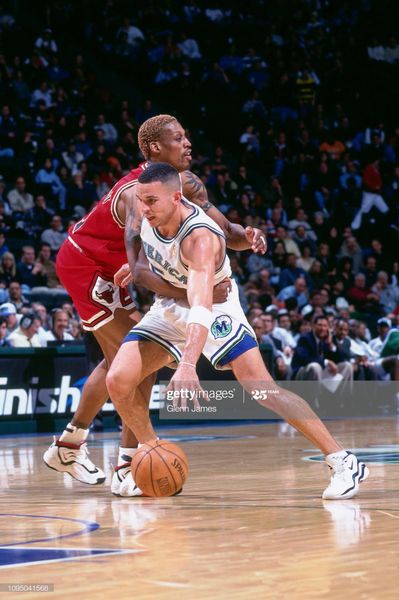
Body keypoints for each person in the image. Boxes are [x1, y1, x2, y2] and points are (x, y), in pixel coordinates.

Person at [106, 162, 369, 500]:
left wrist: (187, 364)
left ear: (176, 197)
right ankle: (148, 453)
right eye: (141, 200)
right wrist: (134, 267)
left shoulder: (201, 238)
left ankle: (342, 460)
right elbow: (161, 255)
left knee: (263, 391)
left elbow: (201, 305)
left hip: (215, 308)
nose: (144, 208)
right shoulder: (149, 214)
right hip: (170, 306)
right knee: (119, 379)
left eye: (152, 201)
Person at [43, 114, 267, 494]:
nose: (187, 143)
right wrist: (195, 295)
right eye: (178, 138)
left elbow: (228, 233)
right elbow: (139, 268)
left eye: (186, 136)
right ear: (153, 149)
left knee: (124, 360)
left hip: (113, 267)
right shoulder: (137, 192)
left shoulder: (185, 185)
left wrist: (249, 235)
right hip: (88, 263)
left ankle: (69, 445)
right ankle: (128, 464)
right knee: (137, 363)